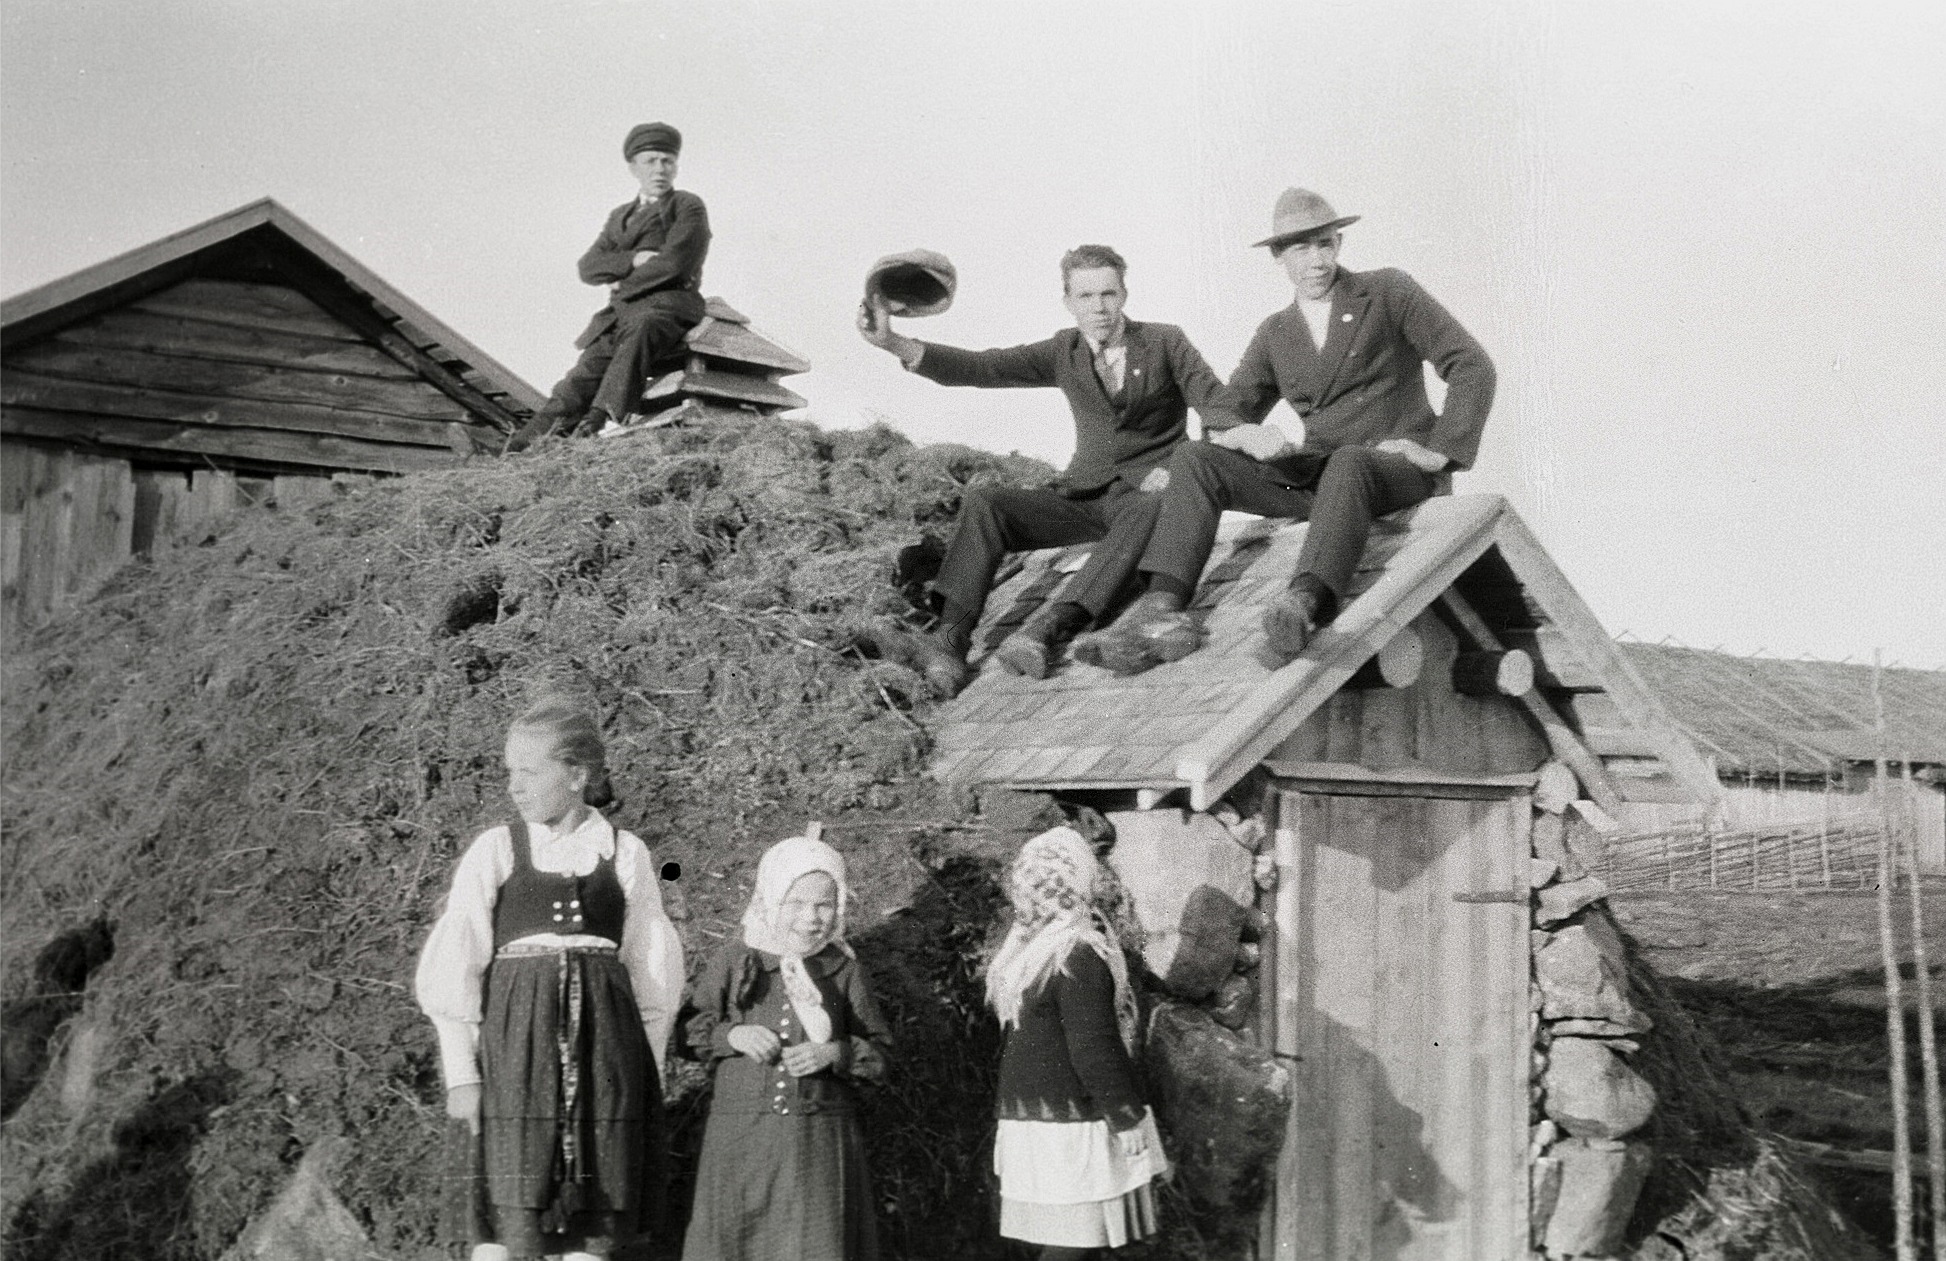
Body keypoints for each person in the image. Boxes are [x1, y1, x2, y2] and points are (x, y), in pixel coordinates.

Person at [1084, 189, 1496, 674]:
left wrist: (1439, 452)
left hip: (1393, 471)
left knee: (1350, 461)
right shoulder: (1276, 332)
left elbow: (1471, 364)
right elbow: (1224, 409)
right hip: (1322, 481)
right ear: (1279, 256)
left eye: (1325, 244)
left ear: (1339, 242)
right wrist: (1243, 434)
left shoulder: (1387, 291)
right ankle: (1162, 607)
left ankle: (1304, 602)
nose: (1317, 261)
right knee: (1196, 458)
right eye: (1301, 249)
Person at [857, 245, 1237, 692]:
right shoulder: (1065, 350)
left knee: (1152, 505)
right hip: (1082, 497)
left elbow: (1218, 407)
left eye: (1109, 294)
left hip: (1145, 498)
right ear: (1068, 302)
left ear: (1125, 294)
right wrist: (893, 343)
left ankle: (1046, 629)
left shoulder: (1165, 342)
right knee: (989, 502)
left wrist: (1180, 469)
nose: (1100, 308)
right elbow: (984, 367)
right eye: (1087, 297)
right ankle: (949, 641)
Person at [416, 700, 685, 1261]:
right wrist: (462, 1074)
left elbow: (653, 975)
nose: (514, 786)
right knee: (506, 1218)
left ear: (577, 776)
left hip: (605, 1061)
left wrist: (647, 1074)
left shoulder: (626, 853)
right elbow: (456, 963)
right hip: (515, 1058)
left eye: (530, 772)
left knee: (594, 1223)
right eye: (510, 771)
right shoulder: (497, 849)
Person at [682, 834, 889, 1261]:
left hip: (815, 1143)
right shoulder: (739, 960)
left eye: (824, 904)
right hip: (741, 1140)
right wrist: (731, 1035)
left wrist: (834, 1053)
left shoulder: (843, 970)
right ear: (772, 898)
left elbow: (882, 1055)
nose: (811, 918)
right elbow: (687, 1030)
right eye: (796, 903)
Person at [988, 827, 1168, 1260]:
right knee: (1072, 1248)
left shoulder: (1031, 956)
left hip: (1035, 1125)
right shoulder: (1078, 956)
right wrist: (1125, 1118)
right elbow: (1093, 1049)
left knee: (1068, 1247)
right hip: (1073, 1129)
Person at [506, 122, 711, 451]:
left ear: (676, 166)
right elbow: (588, 267)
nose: (660, 169)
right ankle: (516, 450)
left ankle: (595, 424)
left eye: (667, 161)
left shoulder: (687, 206)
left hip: (667, 306)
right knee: (578, 378)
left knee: (640, 332)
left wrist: (622, 282)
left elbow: (675, 263)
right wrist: (633, 259)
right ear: (633, 167)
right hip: (620, 313)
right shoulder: (620, 216)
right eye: (651, 161)